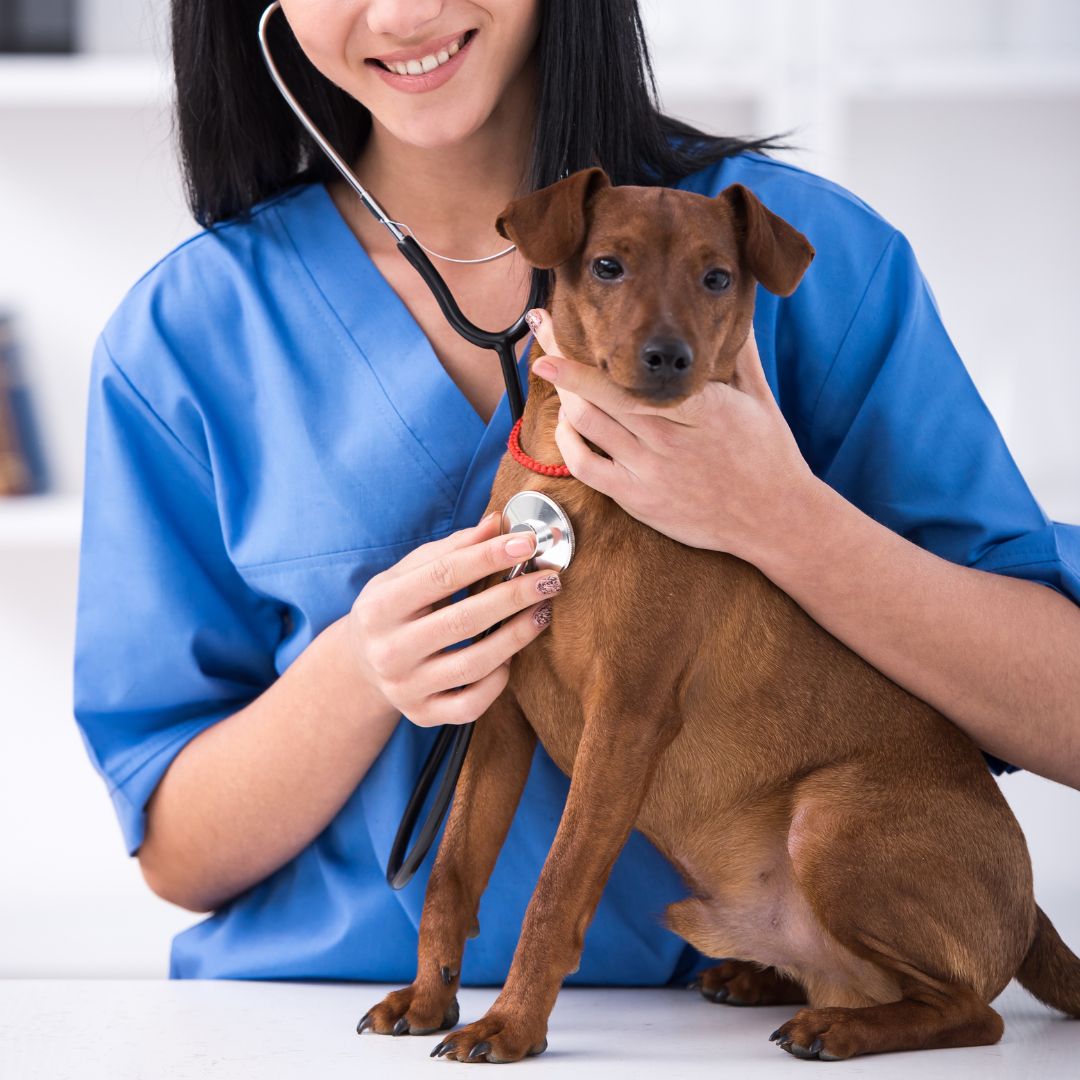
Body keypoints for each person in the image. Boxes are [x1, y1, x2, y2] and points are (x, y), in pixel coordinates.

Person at [73, 0, 1080, 984]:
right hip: (314, 1031)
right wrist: (366, 669)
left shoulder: (803, 255)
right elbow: (176, 853)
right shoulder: (187, 331)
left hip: (741, 1035)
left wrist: (787, 522)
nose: (404, 13)